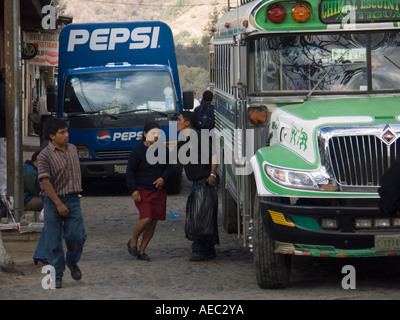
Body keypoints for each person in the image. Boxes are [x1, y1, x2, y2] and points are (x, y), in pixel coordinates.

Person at [37, 117, 86, 289]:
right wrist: (58, 203)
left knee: (77, 236)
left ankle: (72, 261)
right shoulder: (44, 155)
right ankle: (57, 274)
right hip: (52, 201)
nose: (66, 135)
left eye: (66, 131)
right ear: (51, 136)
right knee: (53, 241)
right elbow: (45, 181)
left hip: (73, 199)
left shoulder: (73, 149)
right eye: (61, 133)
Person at [176, 111, 219, 261]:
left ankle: (200, 250)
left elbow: (214, 155)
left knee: (199, 217)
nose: (177, 122)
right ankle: (208, 249)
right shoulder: (184, 139)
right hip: (196, 182)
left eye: (179, 120)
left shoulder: (200, 137)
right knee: (202, 216)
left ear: (187, 123)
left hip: (204, 181)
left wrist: (212, 174)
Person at [126, 122, 171, 261]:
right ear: (145, 134)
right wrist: (133, 190)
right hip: (143, 189)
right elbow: (130, 172)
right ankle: (133, 240)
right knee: (147, 217)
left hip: (159, 191)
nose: (156, 137)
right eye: (153, 134)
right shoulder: (137, 150)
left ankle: (142, 251)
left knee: (153, 222)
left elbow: (169, 167)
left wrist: (163, 178)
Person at [0, 67, 6, 195]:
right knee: (4, 163)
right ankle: (3, 194)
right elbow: (4, 111)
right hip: (3, 132)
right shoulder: (3, 88)